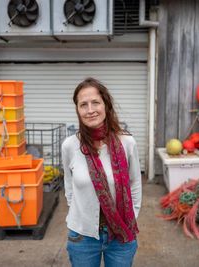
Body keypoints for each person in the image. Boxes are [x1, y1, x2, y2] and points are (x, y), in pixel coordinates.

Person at [61, 77, 142, 267]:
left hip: (121, 235)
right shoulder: (70, 146)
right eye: (83, 105)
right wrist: (81, 216)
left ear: (106, 105)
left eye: (95, 102)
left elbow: (135, 183)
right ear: (78, 110)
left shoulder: (127, 143)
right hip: (83, 237)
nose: (90, 110)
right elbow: (69, 186)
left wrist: (131, 217)